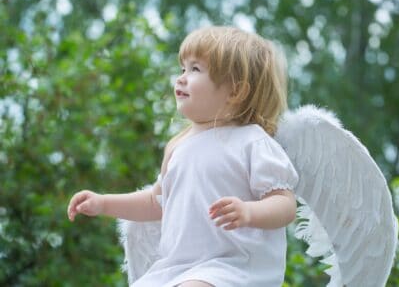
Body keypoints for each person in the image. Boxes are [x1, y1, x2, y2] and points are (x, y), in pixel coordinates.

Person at [67, 26, 299, 287]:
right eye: (183, 69)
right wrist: (103, 203)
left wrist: (249, 212)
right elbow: (156, 204)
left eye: (196, 69)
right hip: (177, 268)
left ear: (235, 91)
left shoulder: (252, 140)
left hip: (234, 266)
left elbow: (284, 203)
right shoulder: (178, 147)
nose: (181, 78)